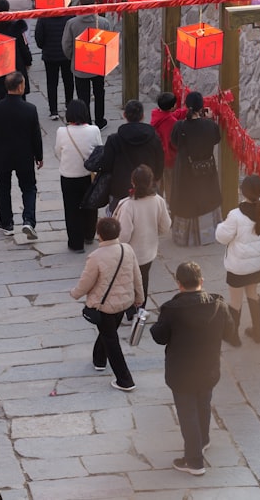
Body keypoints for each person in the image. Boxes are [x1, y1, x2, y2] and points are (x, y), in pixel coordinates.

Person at [150, 261, 238, 476]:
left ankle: (194, 461)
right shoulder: (219, 305)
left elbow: (160, 337)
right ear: (201, 281)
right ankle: (203, 439)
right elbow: (230, 334)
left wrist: (153, 325)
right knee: (204, 403)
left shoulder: (171, 310)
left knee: (187, 413)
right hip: (208, 368)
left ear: (179, 284)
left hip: (181, 372)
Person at [69, 217, 143, 391]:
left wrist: (75, 293)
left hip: (105, 306)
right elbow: (136, 275)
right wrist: (139, 297)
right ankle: (99, 360)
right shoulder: (127, 249)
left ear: (99, 234)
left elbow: (86, 282)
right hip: (124, 301)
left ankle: (125, 380)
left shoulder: (95, 257)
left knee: (111, 340)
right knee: (108, 332)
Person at [215, 174, 260, 345]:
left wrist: (221, 225)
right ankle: (258, 332)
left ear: (242, 192)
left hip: (238, 266)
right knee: (253, 293)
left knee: (235, 301)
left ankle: (234, 337)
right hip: (257, 264)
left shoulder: (235, 215)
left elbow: (222, 237)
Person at [0, 71, 43, 239]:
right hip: (24, 156)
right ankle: (29, 221)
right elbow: (35, 136)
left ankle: (6, 223)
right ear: (20, 86)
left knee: (3, 189)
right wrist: (39, 156)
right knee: (29, 188)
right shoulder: (30, 109)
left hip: (2, 157)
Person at [113, 165, 172, 318]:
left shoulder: (128, 205)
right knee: (143, 279)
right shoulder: (158, 201)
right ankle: (141, 309)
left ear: (133, 182)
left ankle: (130, 310)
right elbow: (165, 226)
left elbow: (124, 234)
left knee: (128, 281)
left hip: (130, 252)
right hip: (148, 251)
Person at [170, 91, 222, 246]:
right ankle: (207, 235)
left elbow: (174, 142)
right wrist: (210, 118)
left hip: (186, 169)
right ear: (202, 107)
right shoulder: (210, 125)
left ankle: (185, 237)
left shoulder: (180, 126)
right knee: (206, 198)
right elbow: (216, 139)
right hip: (206, 169)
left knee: (187, 201)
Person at [98, 99, 165, 212]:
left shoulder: (114, 139)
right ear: (143, 116)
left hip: (121, 190)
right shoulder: (154, 138)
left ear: (124, 115)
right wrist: (155, 179)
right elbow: (160, 163)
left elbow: (106, 165)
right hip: (147, 186)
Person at [54, 99, 102, 253]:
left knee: (72, 209)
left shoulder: (62, 131)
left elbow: (57, 152)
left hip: (68, 175)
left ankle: (76, 243)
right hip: (88, 175)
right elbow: (98, 151)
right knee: (90, 205)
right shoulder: (94, 130)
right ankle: (89, 234)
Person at [62, 0, 111, 128]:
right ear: (95, 4)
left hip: (80, 65)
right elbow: (109, 44)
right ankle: (100, 120)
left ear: (80, 4)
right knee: (99, 92)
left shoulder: (71, 23)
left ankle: (87, 121)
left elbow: (66, 45)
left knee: (83, 95)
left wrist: (73, 57)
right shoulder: (103, 23)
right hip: (98, 63)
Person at [0, 0, 32, 100]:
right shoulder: (16, 27)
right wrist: (28, 61)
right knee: (20, 98)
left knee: (2, 99)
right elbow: (23, 46)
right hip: (16, 65)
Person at [34, 10, 74, 121]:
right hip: (66, 55)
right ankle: (69, 104)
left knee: (51, 83)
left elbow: (39, 37)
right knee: (68, 81)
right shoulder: (69, 15)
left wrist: (45, 47)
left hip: (50, 55)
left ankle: (53, 110)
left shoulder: (44, 17)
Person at [150, 91, 187, 199]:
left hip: (157, 157)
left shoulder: (156, 115)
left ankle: (158, 206)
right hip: (169, 158)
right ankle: (171, 209)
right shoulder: (172, 123)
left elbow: (173, 114)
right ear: (172, 107)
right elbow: (174, 142)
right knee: (170, 185)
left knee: (158, 185)